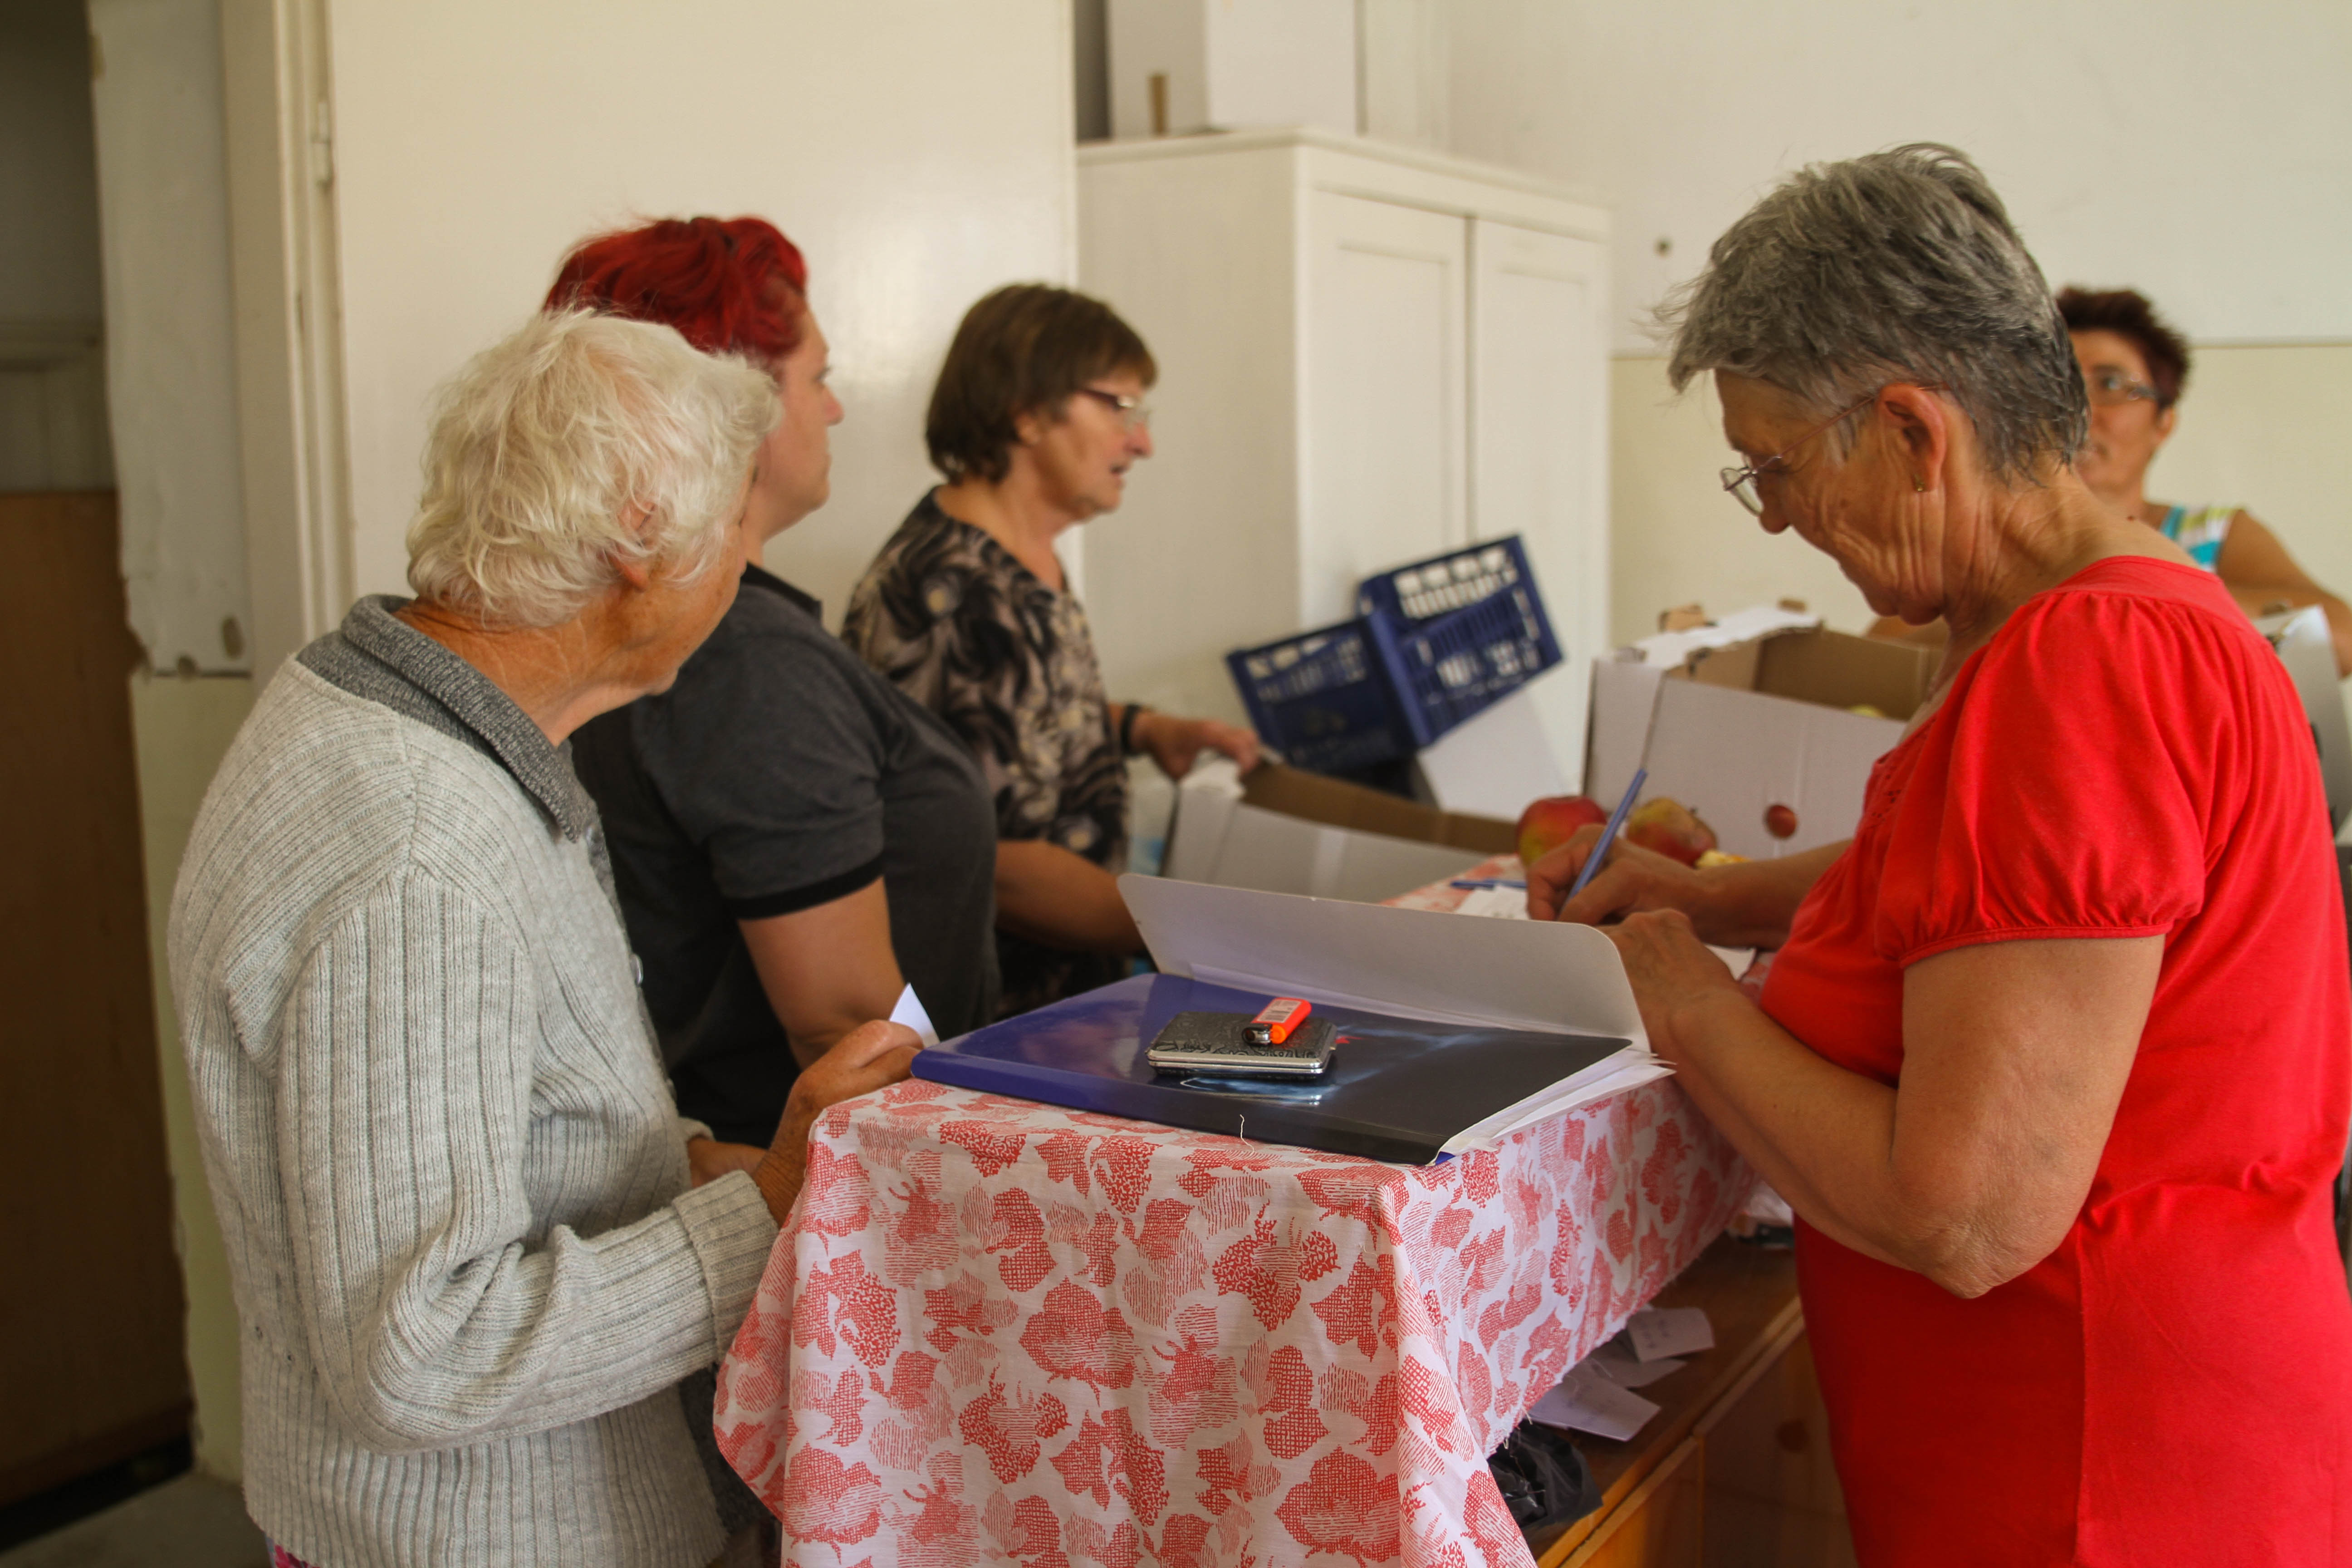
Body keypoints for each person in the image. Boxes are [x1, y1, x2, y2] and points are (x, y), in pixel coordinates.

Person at [1530, 146, 2352, 1564]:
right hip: (2117, 1426)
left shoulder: (2084, 666)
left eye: (1777, 466)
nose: (1773, 514)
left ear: (1914, 432)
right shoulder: (2122, 601)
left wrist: (1683, 993)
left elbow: (1964, 1216)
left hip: (2099, 1473)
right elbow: (1978, 881)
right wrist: (1707, 897)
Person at [168, 310, 916, 1568]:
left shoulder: (398, 708)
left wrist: (693, 1164)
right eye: (733, 527)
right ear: (639, 544)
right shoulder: (416, 843)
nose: (741, 570)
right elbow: (421, 1351)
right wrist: (763, 1209)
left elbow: (493, 1113)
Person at [550, 217, 999, 1151]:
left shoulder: (653, 623)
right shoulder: (746, 660)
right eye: (816, 379)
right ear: (735, 404)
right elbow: (847, 1033)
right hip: (817, 1189)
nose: (831, 411)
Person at [843, 284, 1260, 1017]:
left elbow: (1017, 725)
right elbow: (997, 863)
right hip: (1002, 1019)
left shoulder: (1019, 560)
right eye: (1120, 408)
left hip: (1072, 997)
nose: (1142, 442)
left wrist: (1144, 729)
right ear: (1026, 412)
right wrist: (1209, 941)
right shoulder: (954, 592)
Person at [1871, 284, 2352, 675]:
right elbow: (1878, 662)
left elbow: (2340, 639)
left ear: (2164, 422)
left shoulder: (2216, 533)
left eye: (2111, 384)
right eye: (2056, 386)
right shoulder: (1980, 540)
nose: (2077, 410)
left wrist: (2125, 597)